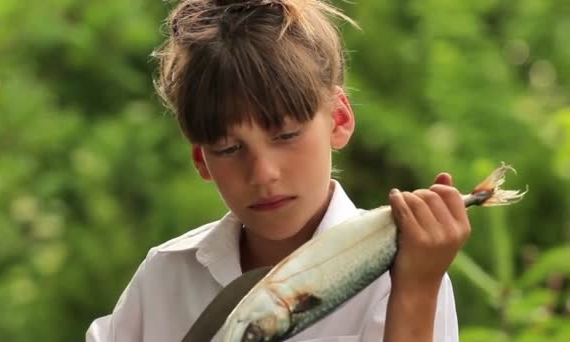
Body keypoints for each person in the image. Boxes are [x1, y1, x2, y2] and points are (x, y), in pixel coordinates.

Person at [86, 0, 471, 341]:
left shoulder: (401, 277)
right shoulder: (165, 278)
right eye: (229, 149)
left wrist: (417, 290)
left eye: (286, 135)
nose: (263, 173)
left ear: (338, 119)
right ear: (202, 160)